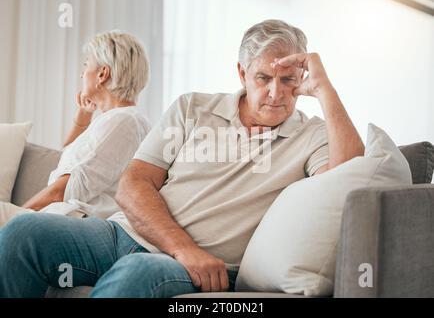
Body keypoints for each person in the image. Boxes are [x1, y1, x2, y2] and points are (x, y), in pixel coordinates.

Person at [0, 20, 364, 298]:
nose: (275, 93)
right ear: (241, 73)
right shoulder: (193, 107)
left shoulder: (313, 134)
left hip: (200, 269)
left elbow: (349, 180)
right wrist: (184, 249)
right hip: (123, 234)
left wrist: (325, 88)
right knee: (23, 233)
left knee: (136, 273)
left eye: (289, 80)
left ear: (302, 78)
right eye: (263, 77)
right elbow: (133, 184)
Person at [0, 30, 151, 226]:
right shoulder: (114, 121)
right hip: (64, 216)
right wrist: (84, 115)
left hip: (74, 220)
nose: (82, 73)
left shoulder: (125, 121)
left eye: (86, 64)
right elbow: (68, 159)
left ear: (102, 74)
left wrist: (18, 218)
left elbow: (63, 190)